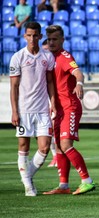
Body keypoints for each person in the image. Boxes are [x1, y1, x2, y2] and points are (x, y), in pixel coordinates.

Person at [43, 25, 95, 195]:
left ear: (62, 40)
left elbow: (78, 72)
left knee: (65, 144)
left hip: (69, 107)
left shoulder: (65, 57)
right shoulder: (49, 58)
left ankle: (87, 180)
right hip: (58, 109)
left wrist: (79, 83)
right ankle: (63, 185)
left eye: (55, 39)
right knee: (58, 147)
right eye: (49, 39)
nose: (51, 42)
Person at [9, 21, 56, 197]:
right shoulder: (17, 57)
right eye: (29, 35)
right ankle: (28, 186)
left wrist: (54, 103)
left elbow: (50, 82)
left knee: (44, 148)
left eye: (35, 35)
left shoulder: (47, 57)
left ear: (40, 36)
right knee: (23, 145)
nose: (32, 38)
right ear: (24, 36)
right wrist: (14, 111)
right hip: (24, 110)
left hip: (43, 109)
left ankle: (26, 177)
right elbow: (13, 87)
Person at [42, 38, 58, 167]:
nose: (46, 52)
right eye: (44, 50)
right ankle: (55, 156)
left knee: (54, 129)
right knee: (49, 130)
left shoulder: (57, 62)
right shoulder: (41, 63)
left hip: (56, 98)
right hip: (43, 99)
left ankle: (58, 156)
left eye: (47, 50)